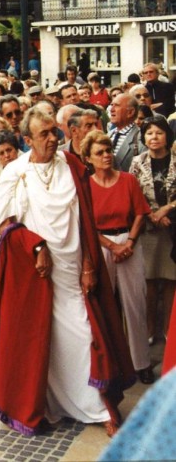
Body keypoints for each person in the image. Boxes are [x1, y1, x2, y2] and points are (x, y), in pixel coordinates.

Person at [0, 107, 134, 437]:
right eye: (45, 134)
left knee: (84, 335)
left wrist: (88, 265)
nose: (54, 138)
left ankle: (97, 408)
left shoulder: (71, 165)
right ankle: (51, 403)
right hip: (35, 276)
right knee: (42, 341)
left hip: (72, 271)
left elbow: (85, 220)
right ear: (27, 140)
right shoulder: (15, 173)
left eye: (55, 131)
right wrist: (36, 246)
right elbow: (2, 227)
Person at [84, 130, 154, 384]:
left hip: (128, 241)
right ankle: (109, 362)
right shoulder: (87, 186)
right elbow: (87, 223)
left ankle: (141, 363)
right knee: (103, 305)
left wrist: (130, 242)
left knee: (135, 303)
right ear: (88, 158)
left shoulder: (127, 180)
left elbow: (140, 213)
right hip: (101, 245)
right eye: (99, 153)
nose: (106, 156)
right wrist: (111, 247)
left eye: (108, 151)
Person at [128, 115, 176, 350]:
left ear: (167, 135)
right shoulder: (138, 161)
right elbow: (133, 193)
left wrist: (167, 209)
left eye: (158, 132)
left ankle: (167, 329)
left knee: (169, 280)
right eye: (149, 133)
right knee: (147, 281)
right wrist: (151, 215)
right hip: (147, 228)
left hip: (172, 228)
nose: (154, 137)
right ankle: (148, 329)